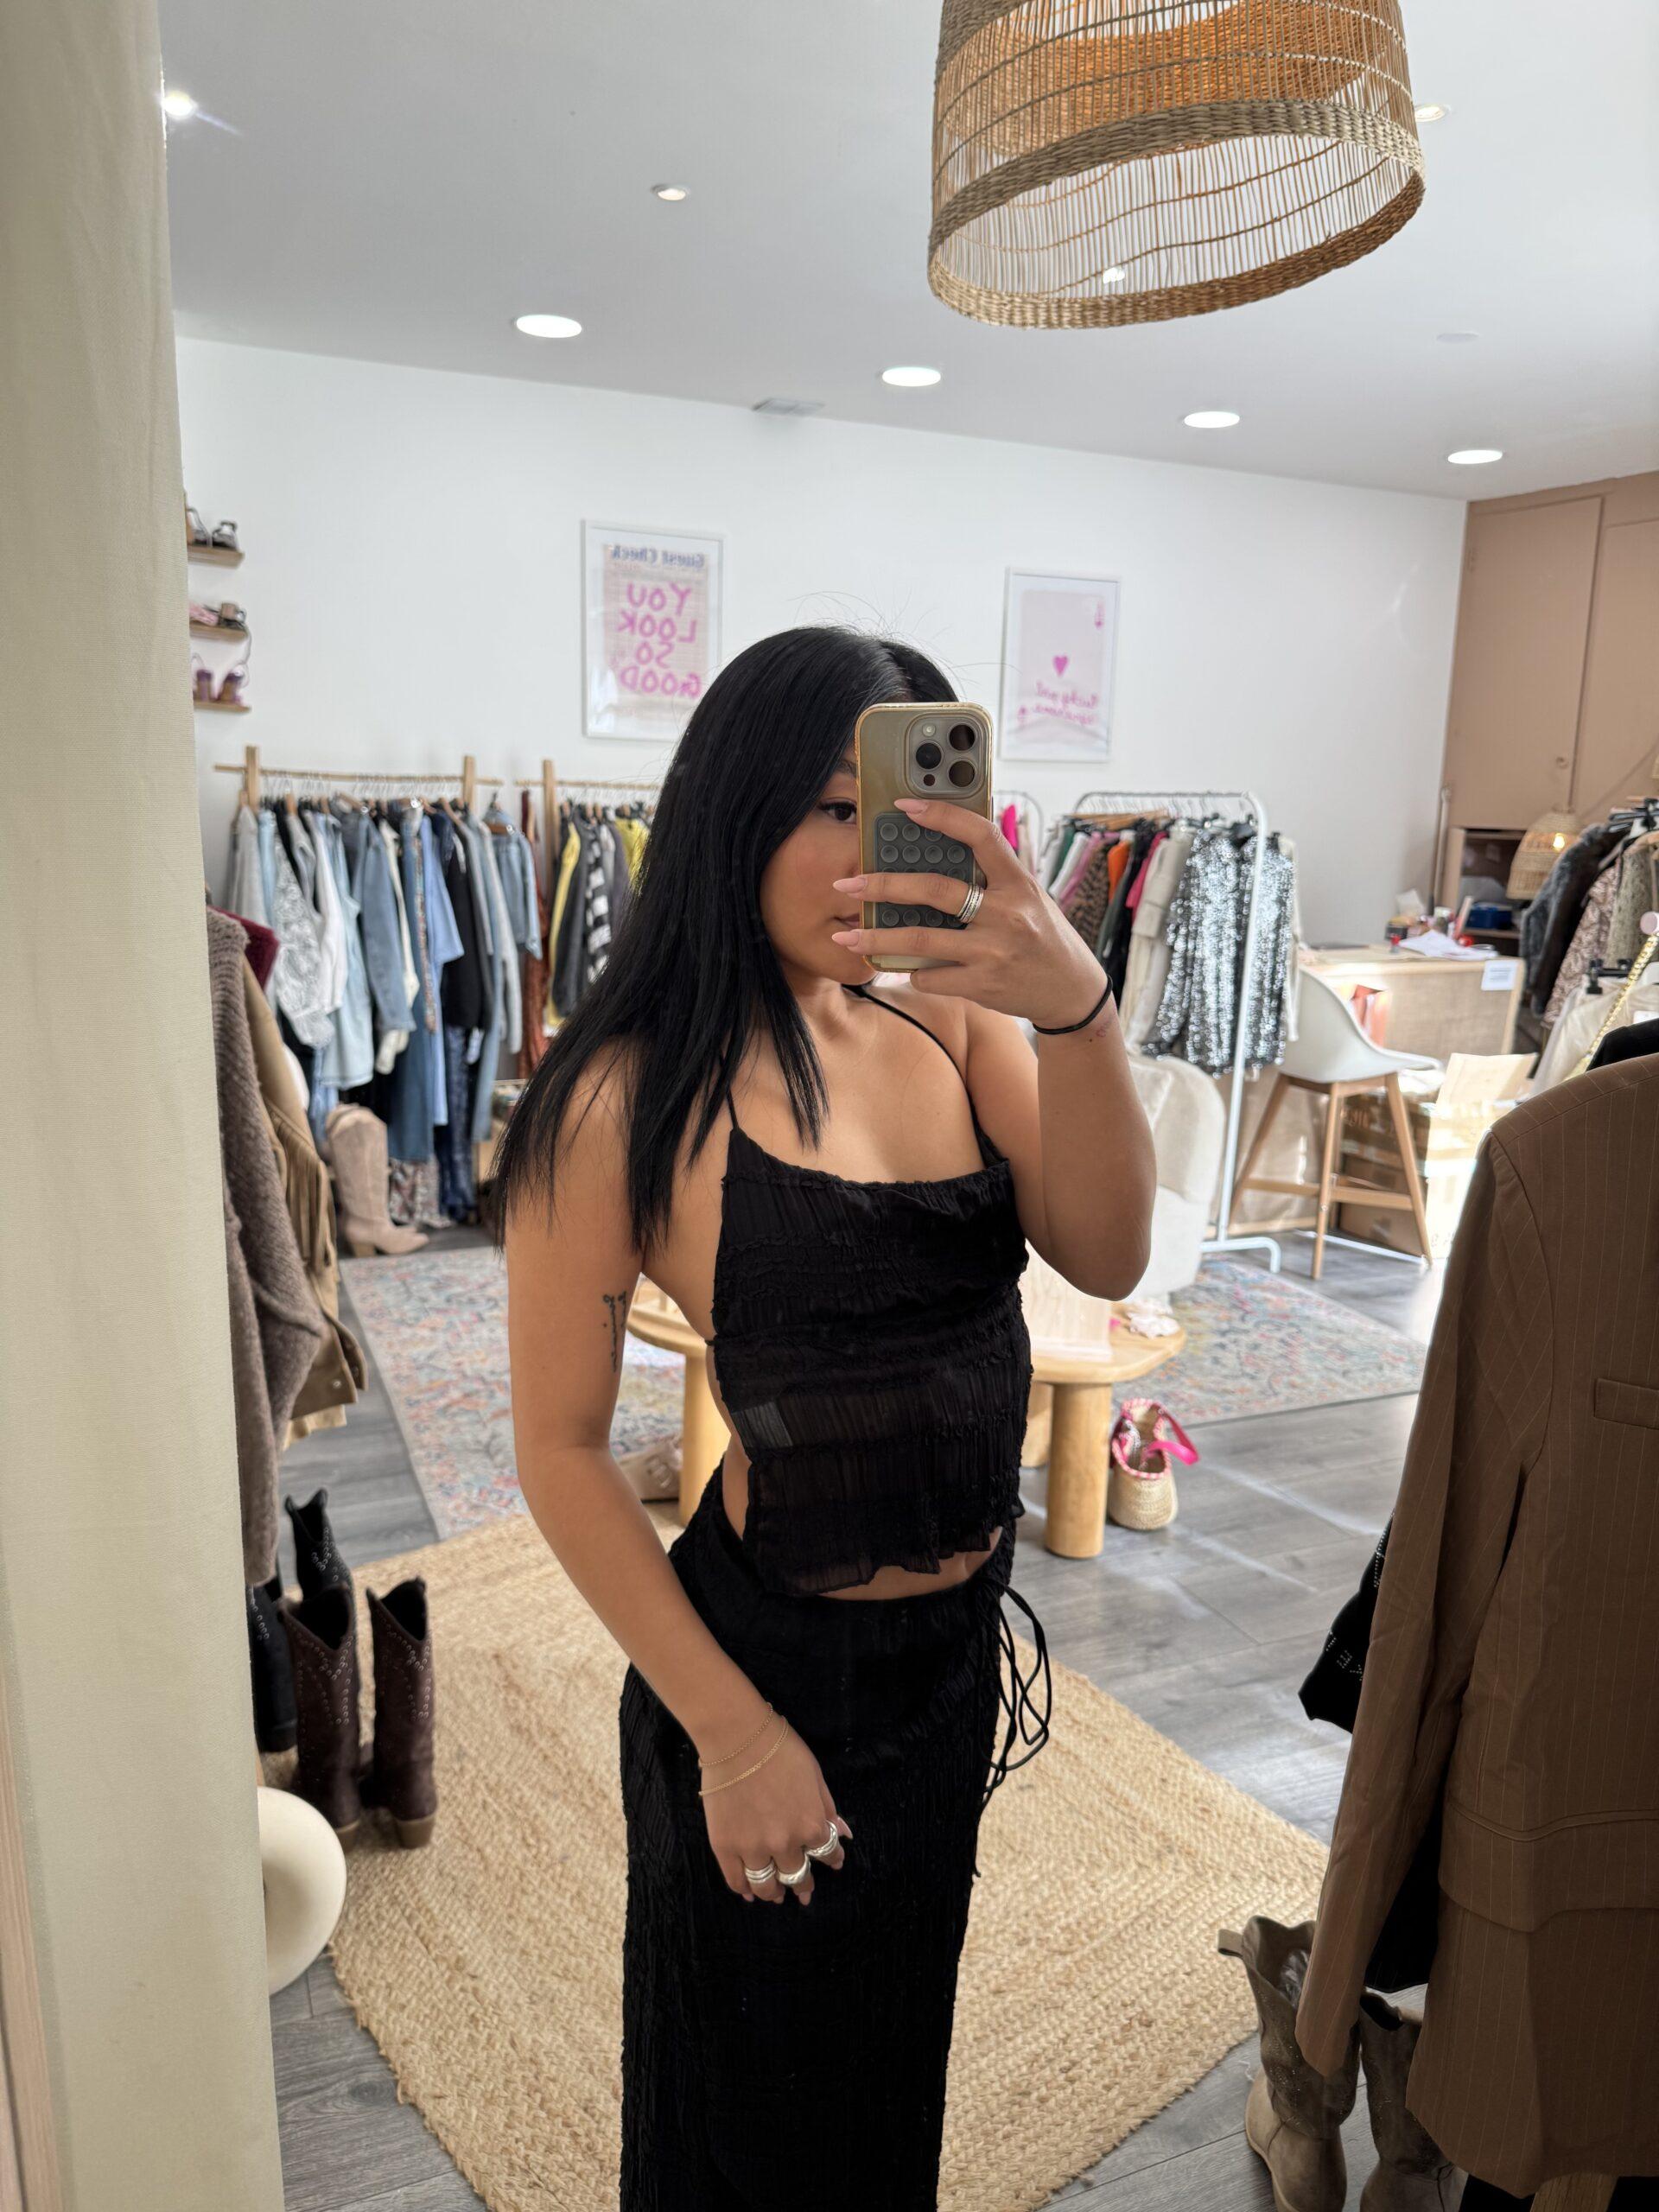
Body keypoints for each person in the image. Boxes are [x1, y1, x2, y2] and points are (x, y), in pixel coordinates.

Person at [493, 626, 1156, 2210]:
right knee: (737, 2120)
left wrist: (1077, 1007)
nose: (870, 854)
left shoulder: (956, 1025)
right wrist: (732, 1738)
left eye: (901, 811)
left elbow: (1109, 1251)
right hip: (765, 1665)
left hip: (949, 1667)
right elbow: (562, 1452)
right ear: (734, 814)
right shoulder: (620, 1098)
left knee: (879, 2096)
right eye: (831, 809)